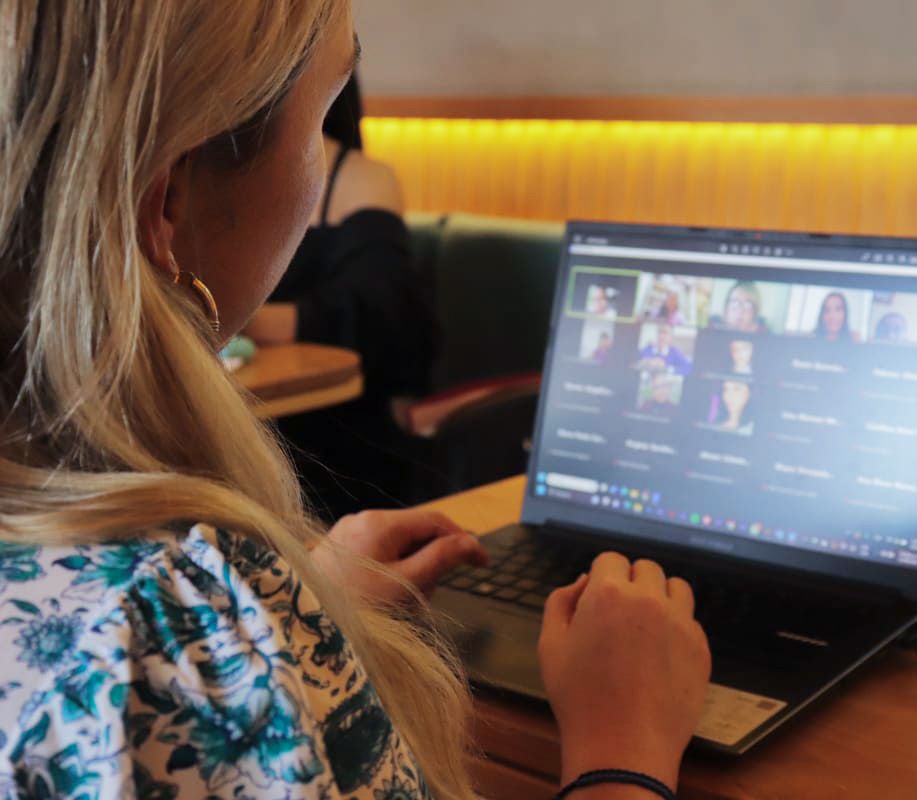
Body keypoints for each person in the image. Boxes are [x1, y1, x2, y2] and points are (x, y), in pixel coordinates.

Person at [0, 4, 710, 799]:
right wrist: (623, 746)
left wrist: (306, 599)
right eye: (319, 119)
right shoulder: (177, 642)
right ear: (168, 203)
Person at [242, 71, 435, 520]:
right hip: (234, 429)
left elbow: (383, 315)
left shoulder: (362, 178)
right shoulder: (210, 178)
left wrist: (237, 319)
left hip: (338, 439)